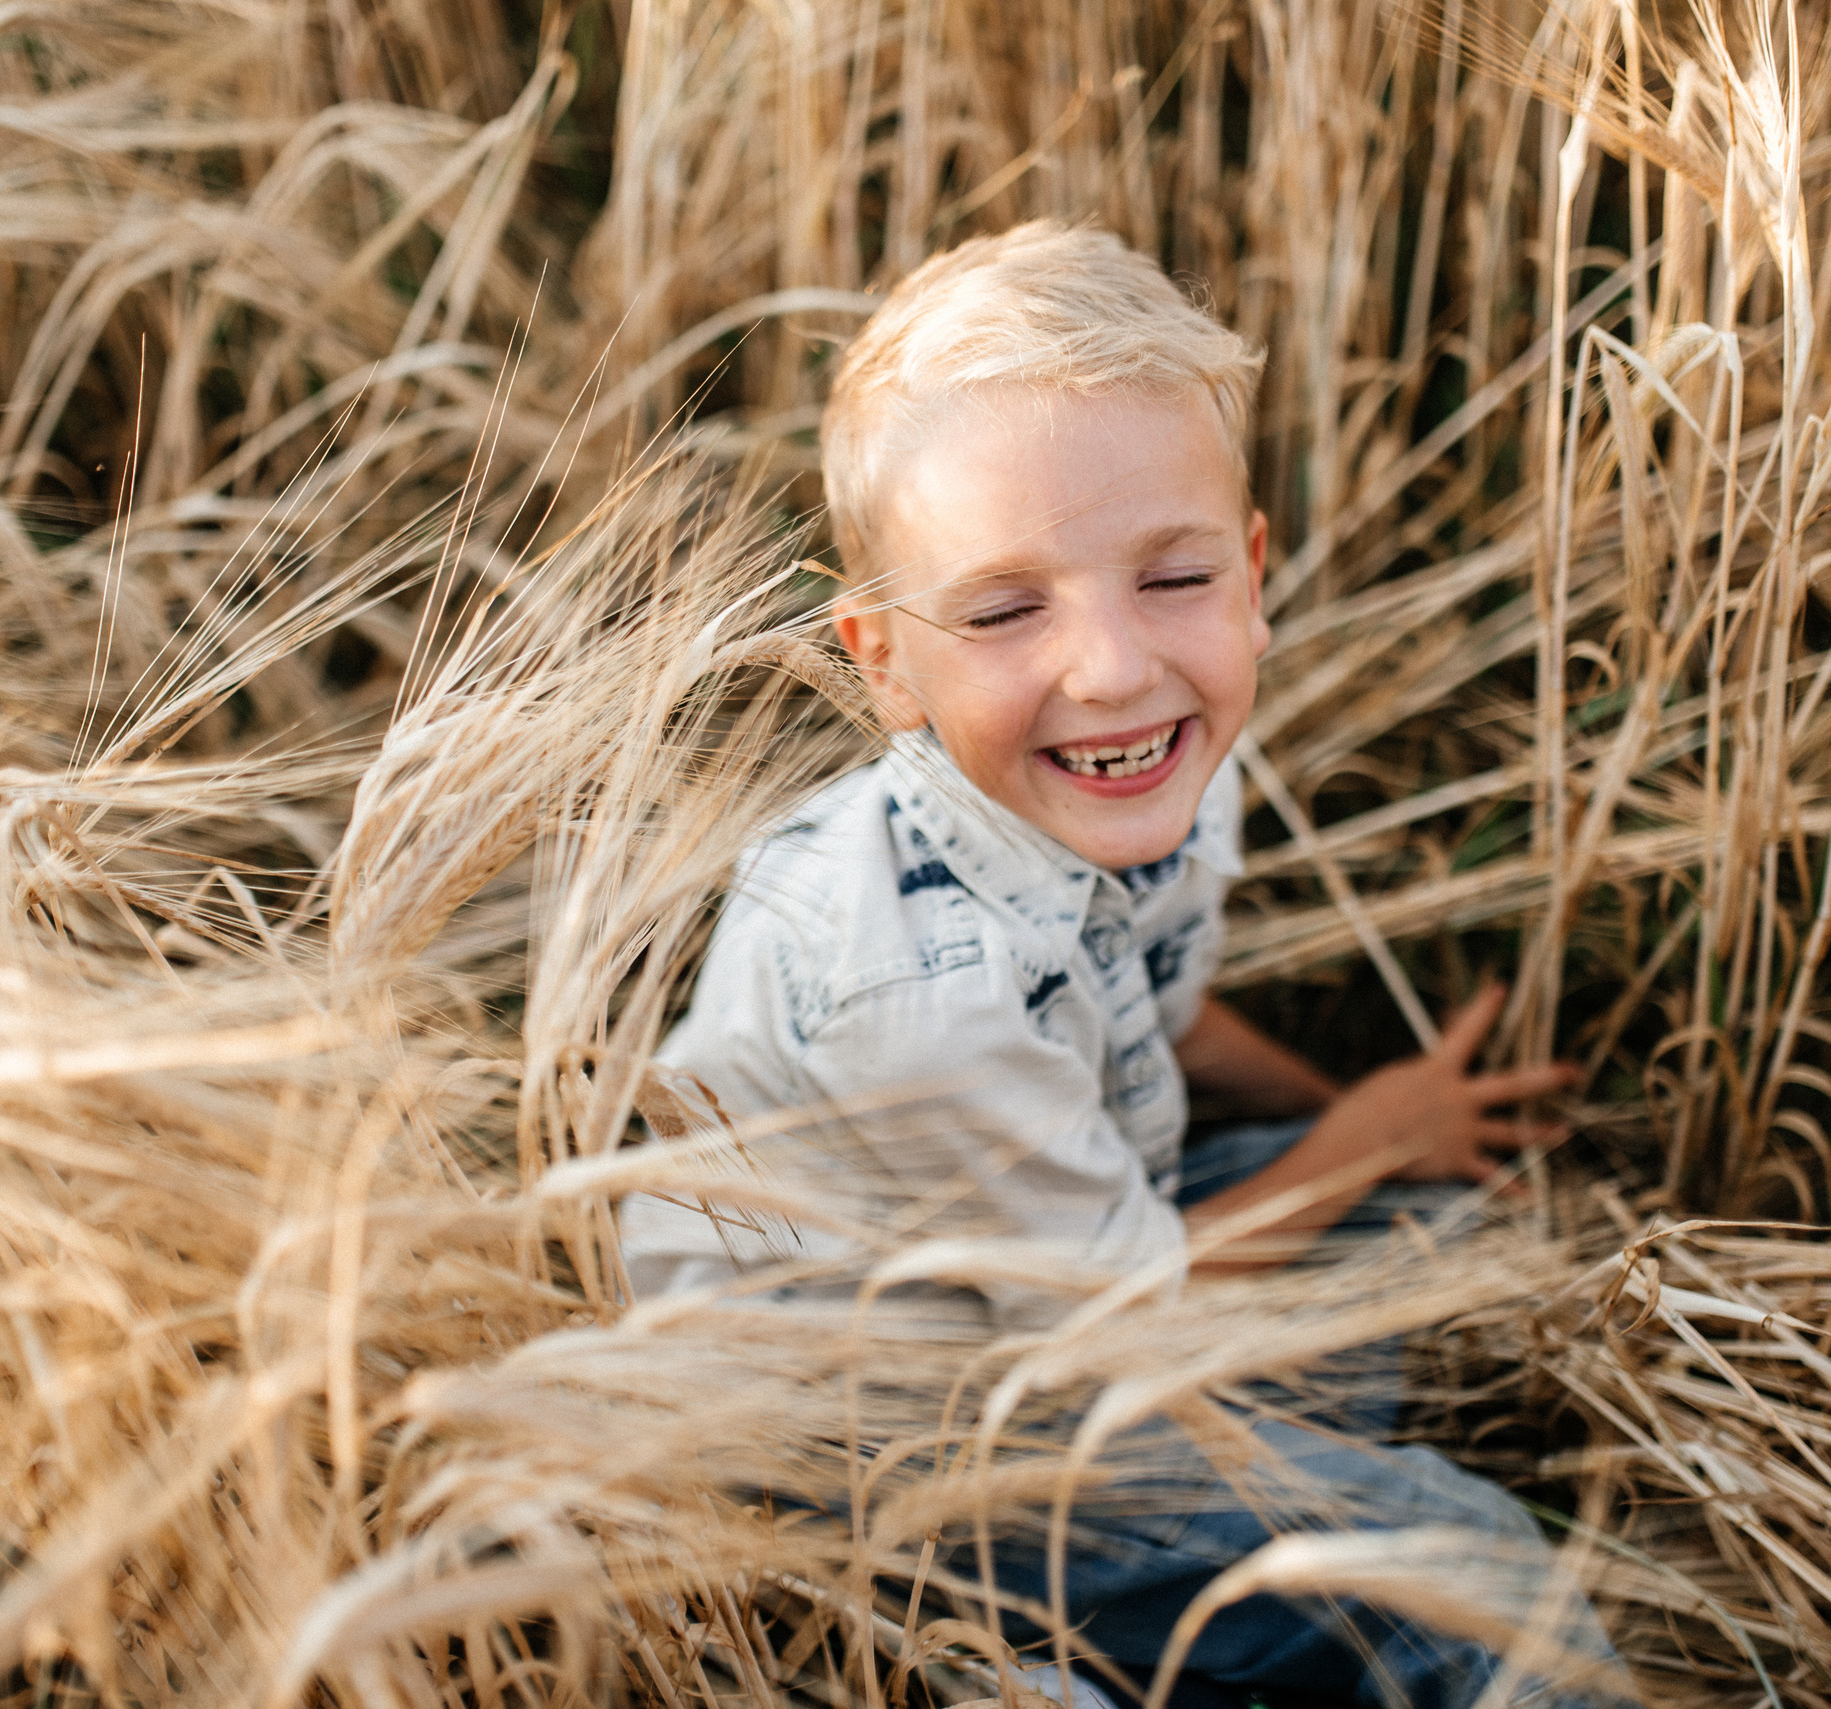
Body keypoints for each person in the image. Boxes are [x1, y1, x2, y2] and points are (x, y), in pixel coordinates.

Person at [618, 220, 1624, 1707]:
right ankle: (977, 1653)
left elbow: (1159, 1007)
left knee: (1436, 1247)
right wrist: (1359, 1136)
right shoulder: (918, 994)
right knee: (1474, 1576)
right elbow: (1113, 1324)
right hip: (891, 1445)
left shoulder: (1143, 763)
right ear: (882, 658)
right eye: (1004, 608)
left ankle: (1201, 1600)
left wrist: (1373, 1127)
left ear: (1251, 574)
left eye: (1174, 578)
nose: (1113, 665)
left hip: (1057, 1270)